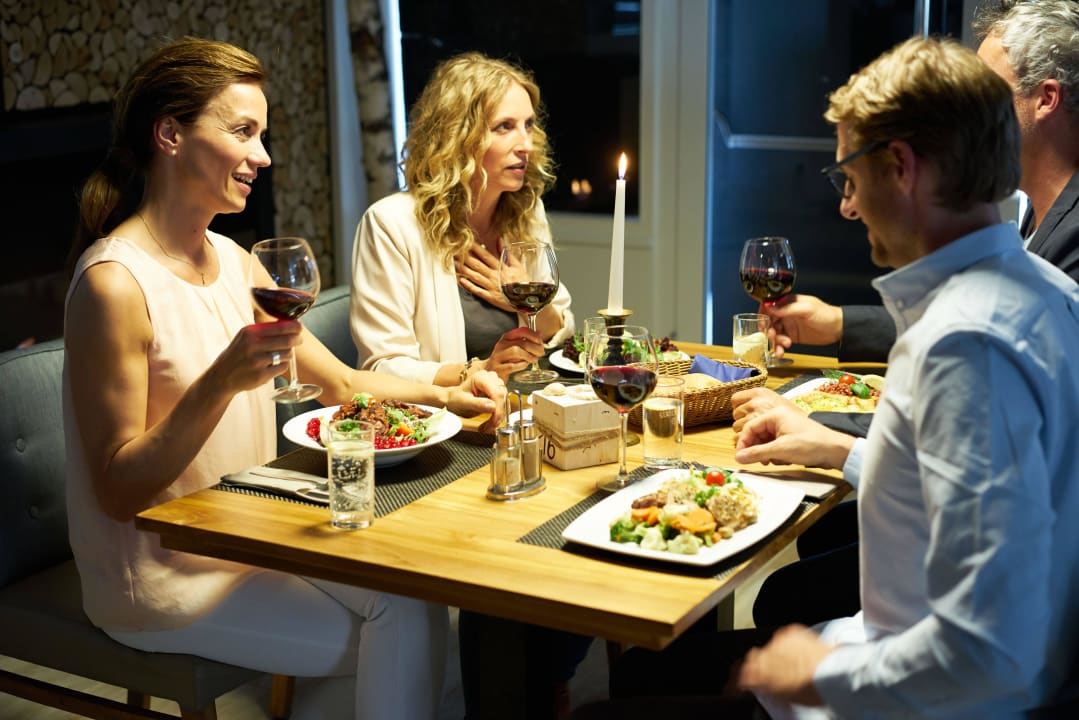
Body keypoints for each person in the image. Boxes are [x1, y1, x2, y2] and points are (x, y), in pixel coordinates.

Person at [578, 34, 1079, 719]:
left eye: (849, 174)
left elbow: (988, 652)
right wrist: (836, 449)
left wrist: (822, 672)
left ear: (899, 167)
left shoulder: (962, 344)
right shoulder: (1049, 292)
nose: (847, 204)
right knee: (660, 667)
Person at [63, 36, 506, 719]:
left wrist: (449, 391)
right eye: (242, 131)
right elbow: (120, 491)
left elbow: (342, 387)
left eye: (262, 134)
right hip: (161, 572)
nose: (262, 156)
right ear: (170, 134)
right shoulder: (114, 284)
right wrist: (220, 382)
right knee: (405, 624)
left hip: (253, 529)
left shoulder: (239, 263)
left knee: (418, 593)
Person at [760, 0, 1079, 363]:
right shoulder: (1037, 215)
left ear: (1046, 99)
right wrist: (840, 323)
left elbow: (982, 343)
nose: (966, 108)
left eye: (984, 91)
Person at [349, 52, 575, 385]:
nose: (525, 144)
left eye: (528, 125)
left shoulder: (525, 210)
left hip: (523, 407)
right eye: (504, 127)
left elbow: (561, 327)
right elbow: (382, 367)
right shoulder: (390, 225)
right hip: (442, 422)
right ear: (458, 137)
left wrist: (522, 301)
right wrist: (476, 373)